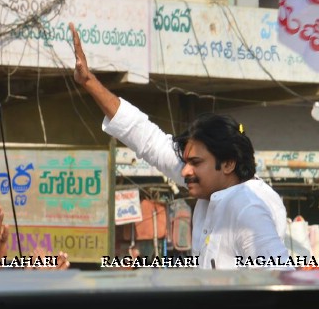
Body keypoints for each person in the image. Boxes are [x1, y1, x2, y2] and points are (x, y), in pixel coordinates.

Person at [69, 22, 292, 269]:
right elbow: (147, 139)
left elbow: (280, 278)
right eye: (186, 162)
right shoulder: (214, 185)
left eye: (195, 163)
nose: (185, 171)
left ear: (228, 163)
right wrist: (88, 81)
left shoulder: (248, 207)